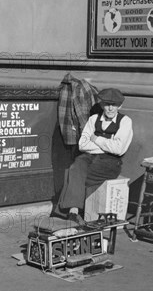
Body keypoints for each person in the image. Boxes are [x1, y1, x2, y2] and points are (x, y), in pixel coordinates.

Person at [54, 88, 133, 222]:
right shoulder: (93, 119)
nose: (110, 108)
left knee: (73, 174)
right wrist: (108, 145)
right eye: (107, 104)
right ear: (102, 105)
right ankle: (72, 212)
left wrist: (96, 139)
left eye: (114, 105)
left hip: (110, 163)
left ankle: (67, 212)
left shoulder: (125, 121)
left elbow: (119, 149)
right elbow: (82, 145)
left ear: (120, 106)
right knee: (76, 167)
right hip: (88, 157)